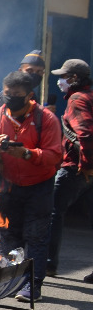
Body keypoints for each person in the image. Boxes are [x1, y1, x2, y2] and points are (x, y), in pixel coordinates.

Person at [0, 71, 61, 303]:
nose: (10, 98)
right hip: (8, 184)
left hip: (39, 185)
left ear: (29, 96)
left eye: (17, 95)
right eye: (7, 93)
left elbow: (55, 155)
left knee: (36, 237)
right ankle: (5, 282)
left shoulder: (47, 119)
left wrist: (27, 154)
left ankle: (33, 286)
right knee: (7, 234)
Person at [45, 59, 93, 280]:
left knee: (54, 213)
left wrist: (86, 166)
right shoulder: (89, 97)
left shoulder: (77, 99)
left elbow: (85, 135)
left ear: (74, 78)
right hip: (85, 169)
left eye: (63, 76)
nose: (60, 80)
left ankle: (48, 264)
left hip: (75, 168)